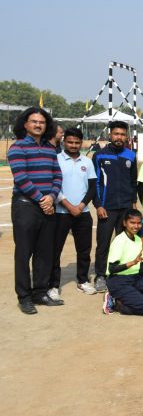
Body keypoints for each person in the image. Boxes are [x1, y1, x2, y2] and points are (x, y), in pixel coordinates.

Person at [9, 107, 63, 314]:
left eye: (41, 122)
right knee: (24, 253)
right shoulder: (17, 148)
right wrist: (42, 198)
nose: (38, 125)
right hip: (25, 206)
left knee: (44, 252)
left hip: (47, 205)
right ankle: (24, 297)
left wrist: (51, 196)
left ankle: (40, 292)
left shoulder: (50, 149)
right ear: (25, 124)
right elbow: (21, 179)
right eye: (34, 121)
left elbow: (57, 176)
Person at [92, 120, 137, 293]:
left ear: (126, 136)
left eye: (122, 134)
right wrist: (98, 205)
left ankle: (119, 273)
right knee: (103, 242)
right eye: (116, 134)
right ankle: (101, 275)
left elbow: (133, 182)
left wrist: (133, 202)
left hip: (125, 206)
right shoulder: (100, 155)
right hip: (107, 207)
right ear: (110, 135)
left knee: (123, 241)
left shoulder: (131, 156)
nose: (119, 137)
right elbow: (95, 182)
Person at [53, 127, 97, 298]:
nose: (73, 145)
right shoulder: (56, 160)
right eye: (70, 142)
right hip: (60, 212)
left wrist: (81, 205)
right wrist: (68, 205)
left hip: (83, 212)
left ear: (82, 143)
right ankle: (54, 285)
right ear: (64, 141)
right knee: (55, 250)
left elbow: (92, 188)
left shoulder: (87, 162)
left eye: (77, 142)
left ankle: (83, 280)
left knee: (84, 250)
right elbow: (53, 186)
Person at [102, 209, 143, 316]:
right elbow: (112, 269)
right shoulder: (119, 240)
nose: (136, 226)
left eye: (138, 223)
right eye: (132, 223)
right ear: (124, 223)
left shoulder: (138, 240)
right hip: (118, 281)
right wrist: (132, 262)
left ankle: (131, 296)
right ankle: (115, 303)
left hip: (135, 278)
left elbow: (139, 267)